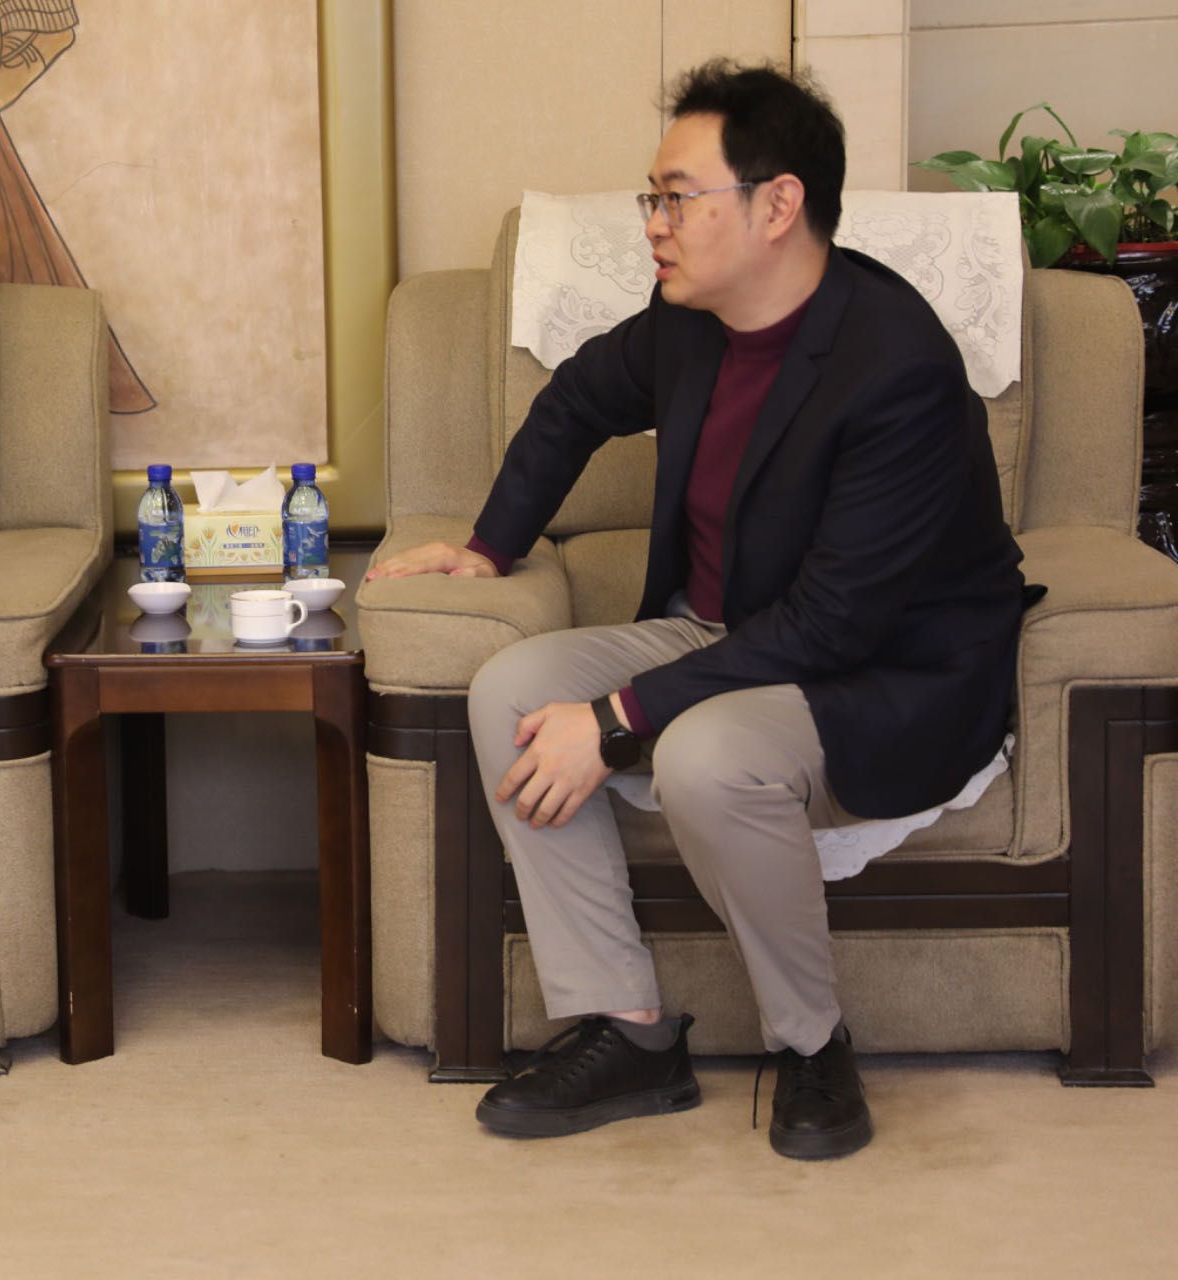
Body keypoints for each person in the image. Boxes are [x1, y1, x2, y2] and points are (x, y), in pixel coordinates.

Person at [368, 62, 1032, 1160]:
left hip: (885, 672)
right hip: (733, 634)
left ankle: (813, 1045)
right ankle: (626, 1027)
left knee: (705, 755)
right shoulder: (691, 322)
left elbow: (832, 626)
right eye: (654, 197)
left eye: (678, 197)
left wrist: (618, 715)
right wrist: (488, 549)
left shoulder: (896, 366)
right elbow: (575, 400)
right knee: (510, 692)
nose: (654, 225)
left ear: (778, 205)